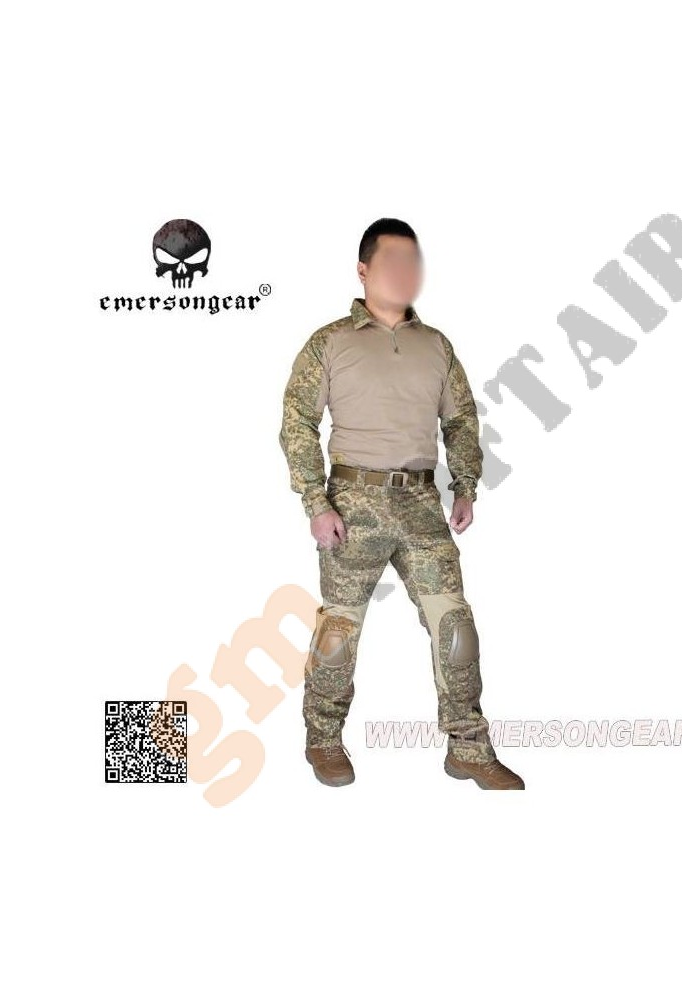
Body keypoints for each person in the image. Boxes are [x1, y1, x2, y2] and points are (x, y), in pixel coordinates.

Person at [279, 218, 524, 790]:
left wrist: (466, 483)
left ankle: (469, 749)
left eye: (414, 261)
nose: (405, 272)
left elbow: (460, 419)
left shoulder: (436, 345)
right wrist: (316, 502)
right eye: (392, 261)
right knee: (338, 633)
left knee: (456, 629)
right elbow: (297, 423)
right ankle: (323, 740)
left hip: (421, 504)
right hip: (352, 502)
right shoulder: (330, 342)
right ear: (363, 270)